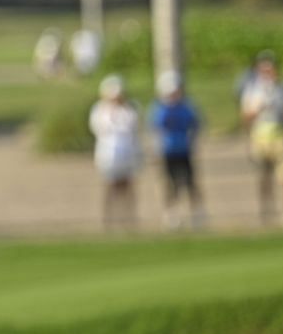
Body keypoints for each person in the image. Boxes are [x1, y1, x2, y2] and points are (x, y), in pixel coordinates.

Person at [239, 52, 283, 226]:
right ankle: (267, 211)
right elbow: (246, 116)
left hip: (281, 135)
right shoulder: (253, 90)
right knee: (264, 175)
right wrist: (258, 109)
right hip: (261, 136)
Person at [148, 70, 205, 229]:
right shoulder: (159, 109)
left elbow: (196, 124)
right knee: (170, 184)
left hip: (184, 149)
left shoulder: (186, 107)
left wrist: (192, 140)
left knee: (190, 182)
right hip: (168, 151)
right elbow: (156, 130)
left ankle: (197, 213)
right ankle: (171, 215)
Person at [88, 74, 140, 229]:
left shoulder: (130, 109)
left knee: (127, 186)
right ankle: (109, 219)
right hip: (108, 155)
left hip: (127, 153)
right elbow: (100, 129)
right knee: (111, 186)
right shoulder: (100, 111)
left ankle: (128, 218)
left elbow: (132, 127)